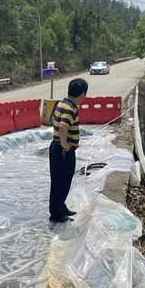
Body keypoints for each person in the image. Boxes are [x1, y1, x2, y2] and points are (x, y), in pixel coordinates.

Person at [49, 78, 88, 223]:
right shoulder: (71, 108)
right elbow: (63, 127)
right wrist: (65, 144)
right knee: (62, 182)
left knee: (60, 182)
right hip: (63, 151)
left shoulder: (62, 102)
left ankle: (60, 207)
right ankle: (56, 214)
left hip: (57, 149)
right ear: (82, 94)